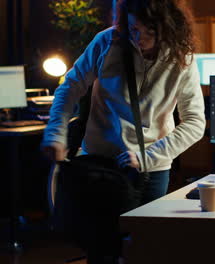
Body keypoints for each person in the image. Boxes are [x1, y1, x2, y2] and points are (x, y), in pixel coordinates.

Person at [41, 0, 205, 263]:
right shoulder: (107, 42)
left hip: (152, 169)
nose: (137, 39)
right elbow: (69, 88)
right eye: (132, 29)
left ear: (166, 27)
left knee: (143, 249)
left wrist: (147, 156)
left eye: (146, 32)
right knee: (100, 249)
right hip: (99, 162)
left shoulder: (182, 58)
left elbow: (196, 122)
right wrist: (55, 134)